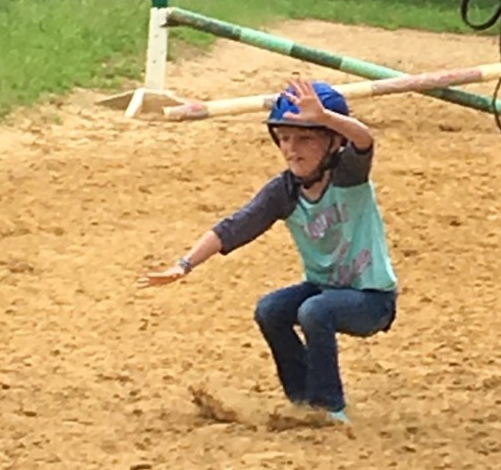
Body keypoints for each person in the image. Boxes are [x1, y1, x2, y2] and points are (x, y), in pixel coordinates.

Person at [137, 77, 398, 432]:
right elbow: (234, 227)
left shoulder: (347, 175)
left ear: (334, 142)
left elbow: (365, 140)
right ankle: (302, 400)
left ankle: (329, 408)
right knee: (270, 309)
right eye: (285, 138)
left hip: (371, 299)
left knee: (313, 311)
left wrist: (326, 116)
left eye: (305, 137)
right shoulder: (285, 191)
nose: (292, 148)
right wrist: (184, 265)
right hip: (324, 290)